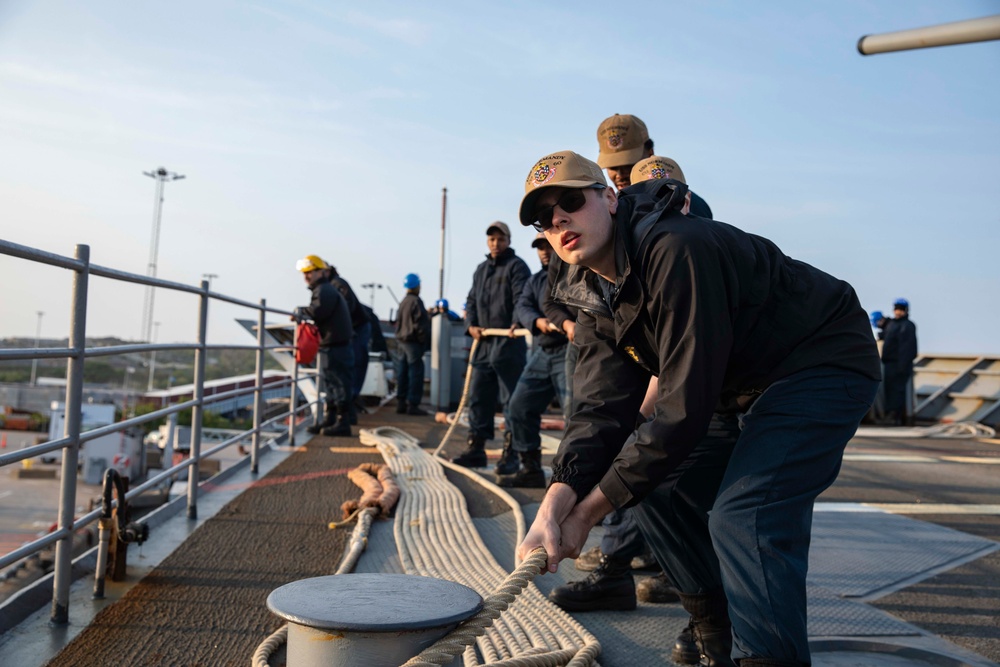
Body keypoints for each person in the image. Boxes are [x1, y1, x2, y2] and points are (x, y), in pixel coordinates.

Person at [514, 150, 881, 667]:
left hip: (817, 362)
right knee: (656, 487)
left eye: (570, 201)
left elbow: (681, 413)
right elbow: (599, 408)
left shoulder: (675, 249)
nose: (557, 220)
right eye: (541, 217)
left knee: (745, 514)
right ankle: (714, 627)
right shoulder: (590, 288)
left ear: (610, 198)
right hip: (739, 384)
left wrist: (587, 515)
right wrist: (555, 505)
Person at [451, 221, 531, 468]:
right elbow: (471, 300)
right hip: (484, 343)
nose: (496, 243)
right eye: (492, 239)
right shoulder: (480, 269)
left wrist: (517, 323)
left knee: (512, 401)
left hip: (509, 342)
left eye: (500, 239)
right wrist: (470, 325)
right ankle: (476, 448)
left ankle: (512, 453)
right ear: (488, 242)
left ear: (508, 240)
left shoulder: (517, 267)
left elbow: (522, 299)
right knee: (478, 397)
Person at [496, 233, 568, 488]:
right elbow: (523, 306)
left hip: (571, 350)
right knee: (519, 407)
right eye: (540, 247)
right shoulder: (535, 280)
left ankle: (575, 481)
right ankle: (531, 468)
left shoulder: (573, 272)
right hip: (542, 350)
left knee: (576, 416)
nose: (544, 251)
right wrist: (537, 322)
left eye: (548, 245)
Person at [596, 113, 712, 218]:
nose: (620, 175)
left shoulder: (687, 204)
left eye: (628, 165)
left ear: (650, 153)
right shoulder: (612, 208)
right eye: (613, 167)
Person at [295, 255, 355, 438]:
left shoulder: (323, 291)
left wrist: (300, 312)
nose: (306, 276)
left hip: (335, 344)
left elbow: (318, 311)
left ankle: (342, 423)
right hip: (334, 343)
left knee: (337, 383)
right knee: (332, 383)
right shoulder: (325, 289)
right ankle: (331, 419)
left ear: (320, 272)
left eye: (309, 272)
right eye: (304, 273)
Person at [326, 265, 370, 424]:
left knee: (354, 365)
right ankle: (348, 406)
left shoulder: (337, 284)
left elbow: (346, 306)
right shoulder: (330, 286)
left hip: (357, 328)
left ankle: (350, 401)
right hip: (352, 329)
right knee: (350, 368)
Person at [394, 273, 431, 416]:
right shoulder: (416, 302)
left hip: (401, 342)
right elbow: (421, 325)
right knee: (415, 373)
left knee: (402, 373)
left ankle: (401, 402)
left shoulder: (403, 302)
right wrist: (423, 341)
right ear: (417, 286)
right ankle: (413, 404)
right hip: (413, 343)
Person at [881, 298, 918, 426]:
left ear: (906, 311)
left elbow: (907, 348)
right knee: (889, 390)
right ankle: (889, 415)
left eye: (901, 309)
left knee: (897, 391)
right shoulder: (892, 324)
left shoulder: (907, 325)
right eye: (896, 309)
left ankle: (894, 416)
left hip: (899, 364)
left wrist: (903, 365)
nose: (898, 311)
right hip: (889, 363)